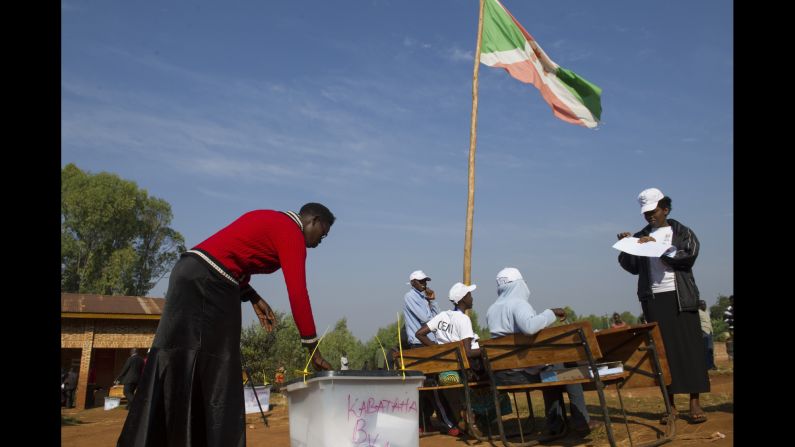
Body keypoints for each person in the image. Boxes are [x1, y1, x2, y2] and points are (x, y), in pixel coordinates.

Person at [117, 203, 336, 447]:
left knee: (177, 358)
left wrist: (251, 295)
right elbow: (297, 293)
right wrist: (313, 349)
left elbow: (230, 254)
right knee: (218, 367)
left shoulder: (270, 219)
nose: (320, 241)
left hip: (187, 272)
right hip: (212, 283)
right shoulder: (291, 232)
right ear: (313, 220)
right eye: (322, 234)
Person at [617, 187, 709, 424]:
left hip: (682, 298)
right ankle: (670, 407)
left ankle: (694, 402)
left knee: (690, 349)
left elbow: (688, 258)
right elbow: (633, 267)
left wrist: (656, 248)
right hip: (654, 299)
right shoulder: (641, 235)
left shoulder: (682, 232)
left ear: (665, 209)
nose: (649, 216)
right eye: (645, 213)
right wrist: (628, 246)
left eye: (654, 211)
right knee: (661, 352)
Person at [485, 267, 598, 437]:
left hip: (502, 375)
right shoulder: (517, 303)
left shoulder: (491, 310)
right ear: (518, 284)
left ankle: (556, 425)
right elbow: (530, 327)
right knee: (567, 371)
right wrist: (550, 313)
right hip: (523, 374)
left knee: (552, 369)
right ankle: (581, 421)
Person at [403, 270, 440, 347]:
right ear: (413, 282)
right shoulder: (410, 296)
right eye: (421, 281)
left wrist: (432, 300)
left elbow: (438, 316)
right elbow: (424, 319)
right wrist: (436, 321)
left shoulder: (424, 297)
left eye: (425, 281)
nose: (424, 283)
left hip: (431, 340)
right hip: (418, 342)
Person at [698, 300, 716, 370]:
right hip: (704, 332)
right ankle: (708, 365)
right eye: (703, 304)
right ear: (699, 306)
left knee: (711, 349)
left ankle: (712, 364)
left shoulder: (707, 312)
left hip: (710, 332)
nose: (704, 306)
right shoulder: (698, 313)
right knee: (706, 350)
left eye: (705, 304)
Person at [723, 295, 734, 361]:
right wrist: (732, 321)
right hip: (732, 328)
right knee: (731, 342)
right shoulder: (728, 309)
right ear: (730, 301)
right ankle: (731, 356)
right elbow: (725, 319)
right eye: (732, 300)